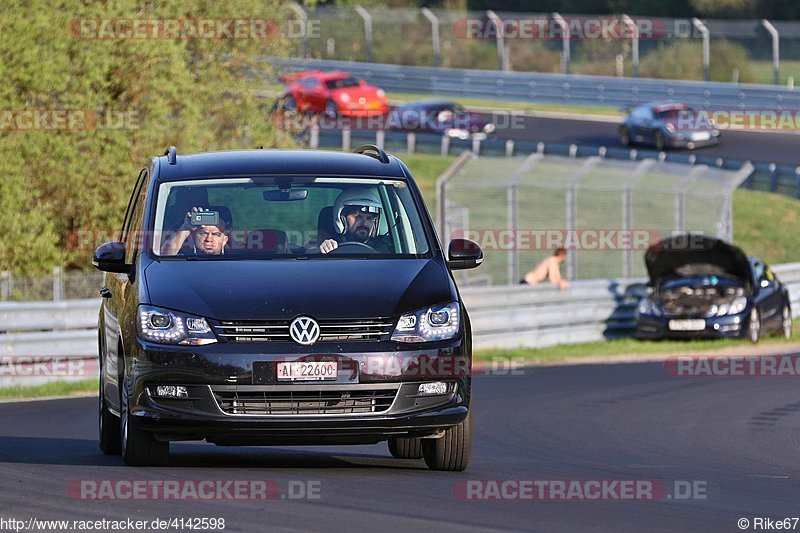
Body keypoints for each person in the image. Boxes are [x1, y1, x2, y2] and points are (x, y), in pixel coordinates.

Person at [313, 187, 393, 254]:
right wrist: (321, 249)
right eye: (358, 217)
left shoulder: (387, 247)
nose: (364, 223)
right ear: (342, 218)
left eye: (369, 218)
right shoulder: (327, 243)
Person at [161, 207, 229, 256]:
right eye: (203, 233)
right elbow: (164, 256)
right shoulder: (183, 259)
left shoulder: (234, 259)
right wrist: (185, 228)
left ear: (224, 241)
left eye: (215, 234)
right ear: (193, 237)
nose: (209, 239)